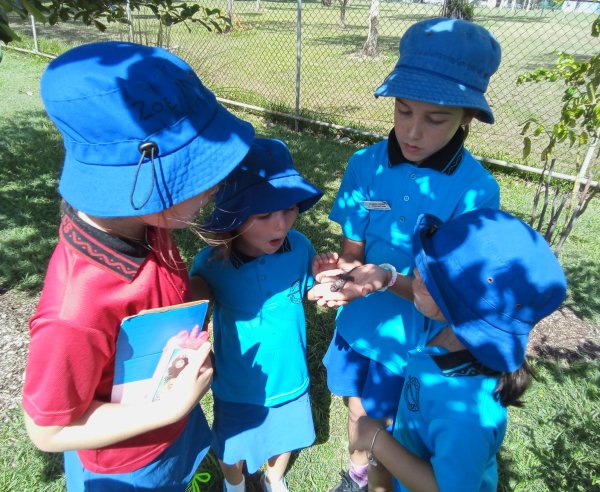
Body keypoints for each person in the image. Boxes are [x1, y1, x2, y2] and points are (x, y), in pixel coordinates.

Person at [21, 41, 254, 491]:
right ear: (138, 178)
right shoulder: (75, 309)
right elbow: (48, 430)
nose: (216, 186)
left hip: (175, 426)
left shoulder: (144, 220)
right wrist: (166, 410)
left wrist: (200, 295)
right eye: (199, 174)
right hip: (129, 465)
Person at [308, 18, 503, 492]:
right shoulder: (365, 165)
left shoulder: (476, 192)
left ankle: (376, 475)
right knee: (357, 402)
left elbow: (451, 291)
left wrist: (386, 279)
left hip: (411, 341)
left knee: (394, 426)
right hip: (359, 324)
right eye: (402, 110)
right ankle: (357, 470)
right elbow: (355, 250)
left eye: (435, 119)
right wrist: (342, 270)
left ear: (467, 117)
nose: (413, 132)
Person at [348, 208, 567, 491]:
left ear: (461, 310)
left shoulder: (465, 413)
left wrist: (377, 440)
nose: (415, 272)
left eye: (429, 279)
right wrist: (385, 277)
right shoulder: (452, 335)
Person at [189, 138, 323, 492]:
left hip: (291, 377)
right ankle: (234, 483)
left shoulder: (300, 248)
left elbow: (309, 288)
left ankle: (273, 476)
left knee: (286, 436)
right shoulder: (212, 263)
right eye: (264, 214)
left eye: (289, 209)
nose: (281, 225)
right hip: (238, 383)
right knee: (232, 443)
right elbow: (195, 306)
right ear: (234, 215)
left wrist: (325, 282)